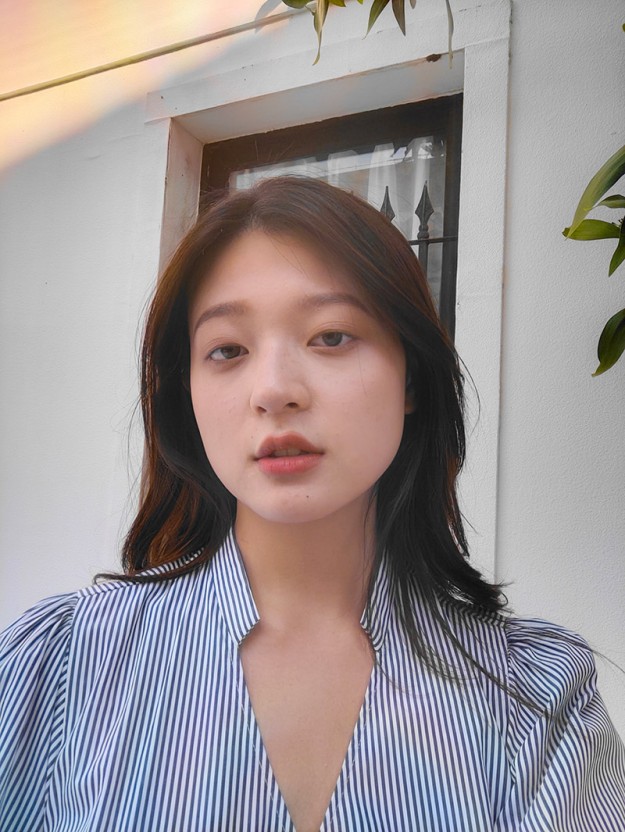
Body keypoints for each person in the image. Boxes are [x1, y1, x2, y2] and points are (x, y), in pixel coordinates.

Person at [1, 176, 624, 832]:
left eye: (330, 336)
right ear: (187, 394)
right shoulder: (60, 667)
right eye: (227, 349)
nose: (274, 390)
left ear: (410, 377)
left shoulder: (535, 697)